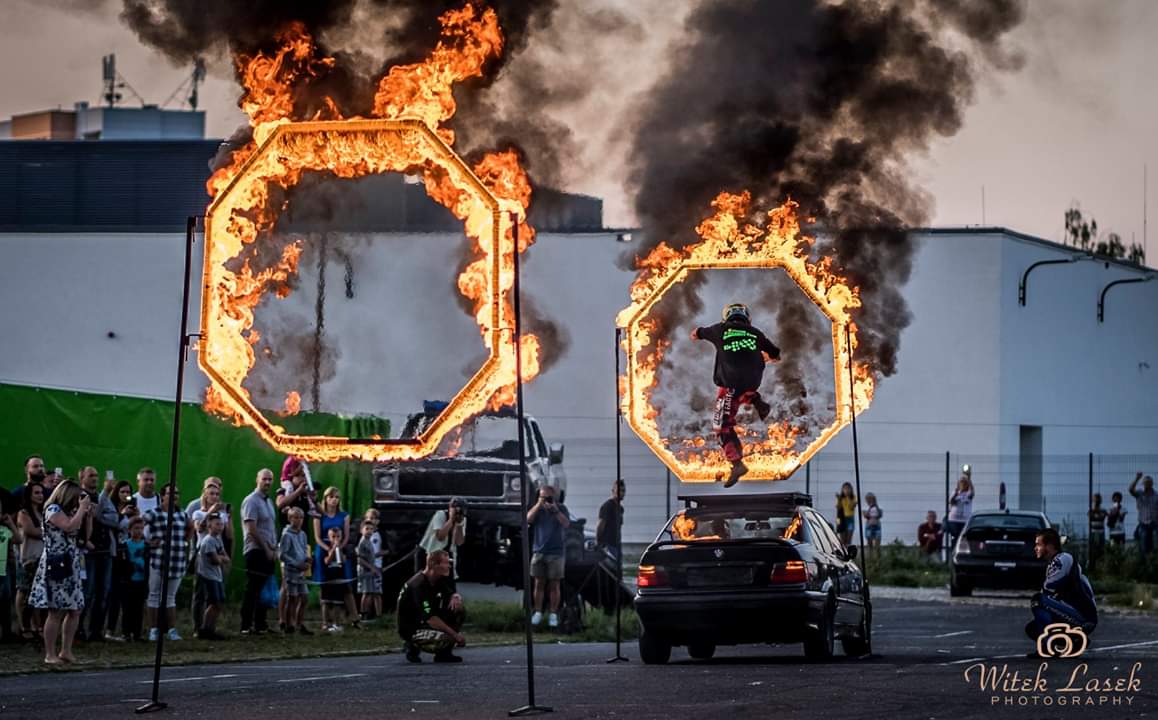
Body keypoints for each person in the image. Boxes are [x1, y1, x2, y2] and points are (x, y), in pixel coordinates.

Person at [690, 303, 781, 487]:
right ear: (747, 318)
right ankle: (755, 399)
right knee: (742, 387)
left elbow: (696, 332)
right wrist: (767, 357)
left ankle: (736, 463)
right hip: (752, 381)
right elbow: (776, 354)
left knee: (721, 425)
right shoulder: (756, 333)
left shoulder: (720, 329)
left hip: (730, 384)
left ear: (726, 317)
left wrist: (697, 334)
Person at [29, 479, 89, 664]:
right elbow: (69, 526)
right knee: (55, 611)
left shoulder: (70, 512)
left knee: (75, 609)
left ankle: (66, 651)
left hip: (71, 564)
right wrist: (81, 509)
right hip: (56, 564)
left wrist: (87, 515)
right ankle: (50, 654)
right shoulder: (52, 510)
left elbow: (83, 535)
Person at [1025, 528, 1097, 656]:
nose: (1035, 548)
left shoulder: (1062, 559)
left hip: (1082, 616)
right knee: (1032, 628)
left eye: (1039, 544)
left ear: (1050, 546)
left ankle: (1046, 646)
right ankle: (1075, 641)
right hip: (1073, 613)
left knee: (1038, 600)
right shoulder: (1055, 563)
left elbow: (1049, 587)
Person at [397, 549, 466, 663]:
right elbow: (430, 618)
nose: (449, 566)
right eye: (445, 563)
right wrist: (455, 635)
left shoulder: (437, 578)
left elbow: (449, 592)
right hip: (413, 627)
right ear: (434, 565)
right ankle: (412, 646)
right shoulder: (418, 585)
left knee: (458, 610)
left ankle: (444, 654)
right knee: (446, 639)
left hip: (424, 620)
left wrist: (455, 596)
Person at [143, 484, 193, 642]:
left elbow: (191, 527)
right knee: (154, 595)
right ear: (163, 495)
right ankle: (153, 629)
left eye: (177, 493)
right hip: (158, 560)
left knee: (170, 597)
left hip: (177, 561)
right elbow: (137, 522)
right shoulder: (154, 513)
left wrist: (186, 540)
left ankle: (171, 629)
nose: (174, 496)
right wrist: (148, 541)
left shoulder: (181, 514)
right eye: (171, 493)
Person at [79, 466, 118, 642]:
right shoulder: (80, 496)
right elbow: (90, 516)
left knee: (103, 593)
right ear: (82, 477)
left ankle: (96, 631)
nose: (95, 478)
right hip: (87, 552)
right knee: (87, 592)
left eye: (96, 475)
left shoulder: (105, 498)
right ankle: (78, 629)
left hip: (105, 551)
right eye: (91, 475)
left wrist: (100, 514)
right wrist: (105, 494)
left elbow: (113, 519)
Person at [189, 477, 231, 635]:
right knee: (199, 594)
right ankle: (197, 627)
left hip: (217, 550)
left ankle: (209, 627)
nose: (215, 496)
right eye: (212, 493)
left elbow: (227, 534)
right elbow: (199, 529)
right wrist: (210, 512)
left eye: (217, 494)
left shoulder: (221, 515)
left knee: (215, 596)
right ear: (206, 495)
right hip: (203, 555)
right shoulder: (198, 513)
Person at [313, 487, 358, 627]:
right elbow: (317, 537)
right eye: (331, 497)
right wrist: (328, 549)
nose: (334, 500)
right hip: (324, 550)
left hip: (340, 549)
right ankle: (326, 621)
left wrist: (339, 547)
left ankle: (355, 618)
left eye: (337, 497)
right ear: (326, 498)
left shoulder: (344, 515)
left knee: (345, 584)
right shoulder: (318, 515)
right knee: (324, 585)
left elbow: (345, 535)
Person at [240, 468, 278, 636]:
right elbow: (251, 529)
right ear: (257, 479)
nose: (267, 482)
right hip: (256, 550)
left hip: (269, 550)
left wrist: (274, 548)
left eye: (270, 479)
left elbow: (270, 528)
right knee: (253, 588)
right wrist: (265, 548)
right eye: (264, 479)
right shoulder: (251, 501)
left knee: (264, 589)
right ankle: (246, 624)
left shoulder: (268, 502)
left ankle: (260, 623)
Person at [527, 484, 570, 628]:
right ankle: (538, 612)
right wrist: (539, 504)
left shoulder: (561, 508)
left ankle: (553, 613)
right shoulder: (538, 510)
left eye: (547, 497)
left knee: (554, 585)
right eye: (542, 496)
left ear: (554, 496)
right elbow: (528, 519)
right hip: (539, 551)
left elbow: (566, 524)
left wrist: (555, 510)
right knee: (538, 584)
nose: (545, 499)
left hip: (556, 553)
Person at [104, 479, 136, 641]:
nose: (126, 495)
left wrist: (135, 517)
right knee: (114, 593)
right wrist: (123, 514)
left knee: (127, 594)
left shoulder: (132, 510)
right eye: (122, 492)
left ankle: (127, 630)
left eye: (128, 492)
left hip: (127, 553)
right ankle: (109, 629)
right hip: (114, 553)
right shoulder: (111, 509)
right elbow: (115, 524)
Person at [16, 481, 46, 641]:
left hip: (41, 559)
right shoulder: (23, 513)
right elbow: (31, 531)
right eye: (36, 493)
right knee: (24, 592)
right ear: (29, 495)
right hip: (28, 558)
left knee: (38, 595)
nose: (40, 495)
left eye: (41, 492)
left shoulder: (42, 513)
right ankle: (23, 626)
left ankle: (37, 626)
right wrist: (49, 530)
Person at [195, 513, 230, 640]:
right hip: (209, 576)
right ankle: (205, 628)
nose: (220, 527)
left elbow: (226, 557)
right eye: (217, 524)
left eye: (221, 524)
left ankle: (211, 628)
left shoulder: (217, 539)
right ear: (209, 526)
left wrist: (221, 558)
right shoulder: (208, 541)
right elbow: (216, 560)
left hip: (217, 576)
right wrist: (221, 558)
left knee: (219, 603)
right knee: (214, 603)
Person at [278, 507, 311, 635]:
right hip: (291, 571)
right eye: (296, 517)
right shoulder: (286, 535)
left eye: (301, 517)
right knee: (292, 598)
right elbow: (282, 555)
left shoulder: (303, 534)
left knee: (304, 598)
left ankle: (299, 623)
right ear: (290, 518)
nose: (299, 520)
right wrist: (296, 564)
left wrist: (307, 559)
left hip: (301, 572)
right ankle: (288, 624)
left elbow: (303, 550)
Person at [416, 497, 466, 579]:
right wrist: (451, 520)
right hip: (427, 552)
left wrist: (459, 525)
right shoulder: (440, 515)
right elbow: (440, 537)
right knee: (424, 582)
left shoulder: (462, 520)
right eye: (455, 508)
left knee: (448, 587)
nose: (458, 512)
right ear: (450, 507)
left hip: (444, 555)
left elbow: (459, 542)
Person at [0, 490, 25, 643]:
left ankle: (7, 631)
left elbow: (18, 539)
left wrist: (10, 523)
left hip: (6, 566)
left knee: (6, 598)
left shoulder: (5, 527)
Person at [120, 516, 149, 642]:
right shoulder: (125, 545)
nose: (138, 531)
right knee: (127, 608)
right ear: (130, 530)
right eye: (136, 528)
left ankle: (137, 632)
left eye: (141, 529)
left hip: (141, 580)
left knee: (139, 608)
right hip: (128, 580)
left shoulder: (146, 545)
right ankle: (126, 632)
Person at [321, 526, 348, 632]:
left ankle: (336, 623)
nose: (336, 538)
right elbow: (327, 561)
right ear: (329, 537)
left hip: (339, 577)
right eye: (333, 536)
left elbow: (343, 561)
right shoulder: (325, 548)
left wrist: (339, 549)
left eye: (338, 536)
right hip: (327, 577)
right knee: (326, 601)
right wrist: (333, 549)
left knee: (337, 602)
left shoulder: (343, 548)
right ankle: (325, 623)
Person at [357, 521, 383, 621]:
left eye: (371, 529)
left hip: (370, 570)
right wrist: (372, 568)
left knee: (370, 593)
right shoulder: (362, 542)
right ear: (361, 530)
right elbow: (360, 559)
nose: (369, 531)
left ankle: (367, 614)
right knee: (366, 593)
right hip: (365, 571)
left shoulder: (369, 541)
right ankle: (362, 614)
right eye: (366, 529)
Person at [596, 479, 626, 560]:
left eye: (623, 491)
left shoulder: (620, 508)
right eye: (619, 490)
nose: (621, 493)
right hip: (608, 545)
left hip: (617, 544)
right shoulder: (607, 506)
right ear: (613, 491)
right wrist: (599, 543)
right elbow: (600, 525)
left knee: (618, 569)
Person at [1129, 473, 1157, 555]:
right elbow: (1130, 489)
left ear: (1152, 484)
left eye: (1148, 482)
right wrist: (1137, 479)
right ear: (1143, 484)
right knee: (1144, 548)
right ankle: (1144, 566)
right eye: (1145, 483)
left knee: (1155, 547)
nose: (1147, 484)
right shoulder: (1139, 493)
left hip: (1155, 525)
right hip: (1143, 525)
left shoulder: (1156, 495)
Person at [946, 474, 975, 552]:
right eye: (961, 483)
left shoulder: (968, 493)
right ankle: (953, 551)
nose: (963, 485)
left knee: (963, 537)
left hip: (964, 520)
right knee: (954, 537)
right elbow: (951, 502)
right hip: (954, 519)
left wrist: (969, 479)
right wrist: (956, 493)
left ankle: (962, 552)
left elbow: (972, 492)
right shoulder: (955, 492)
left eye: (965, 483)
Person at [1088, 493, 1107, 572]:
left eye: (1098, 499)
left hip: (1101, 532)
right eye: (1095, 499)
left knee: (1101, 550)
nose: (1097, 500)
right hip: (1093, 532)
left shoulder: (1103, 510)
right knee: (1093, 550)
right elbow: (1091, 518)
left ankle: (1100, 568)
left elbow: (1102, 517)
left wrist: (1097, 514)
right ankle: (1092, 568)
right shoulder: (1091, 510)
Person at [862, 492, 882, 559]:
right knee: (869, 544)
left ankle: (878, 559)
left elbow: (879, 514)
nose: (870, 501)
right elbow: (866, 515)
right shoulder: (866, 507)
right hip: (869, 526)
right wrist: (870, 508)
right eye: (869, 499)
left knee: (877, 544)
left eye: (871, 499)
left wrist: (875, 505)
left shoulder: (877, 507)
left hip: (877, 526)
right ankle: (870, 558)